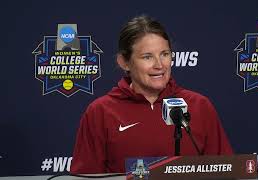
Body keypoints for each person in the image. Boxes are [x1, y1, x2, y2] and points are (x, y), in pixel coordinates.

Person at [70, 15, 233, 174]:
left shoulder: (199, 106)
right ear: (124, 62)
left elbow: (227, 172)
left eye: (165, 54)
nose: (159, 65)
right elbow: (85, 177)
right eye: (147, 57)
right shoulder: (100, 112)